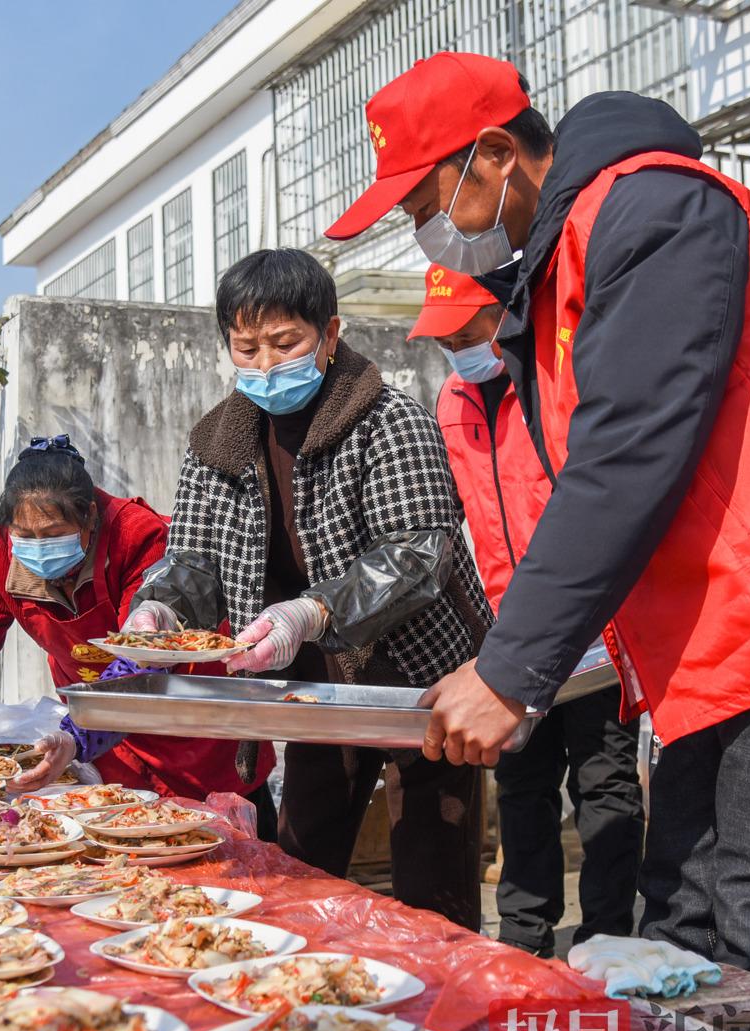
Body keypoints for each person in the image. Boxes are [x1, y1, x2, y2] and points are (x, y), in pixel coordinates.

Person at [325, 51, 750, 1008]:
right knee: (681, 933)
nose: (427, 239)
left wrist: (512, 668)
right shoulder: (562, 258)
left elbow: (629, 450)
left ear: (495, 155)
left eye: (426, 205)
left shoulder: (651, 208)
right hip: (708, 650)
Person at [126, 248, 493, 928]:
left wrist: (313, 608)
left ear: (329, 335)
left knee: (431, 878)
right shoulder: (216, 440)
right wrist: (161, 606)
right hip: (314, 687)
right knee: (302, 861)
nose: (265, 364)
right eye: (246, 346)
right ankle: (310, 1004)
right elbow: (194, 559)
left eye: (285, 342)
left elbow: (417, 552)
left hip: (422, 675)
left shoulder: (389, 418)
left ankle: (442, 1006)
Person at [412, 262, 644, 957]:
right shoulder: (453, 400)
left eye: (468, 331)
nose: (458, 349)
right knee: (522, 779)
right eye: (444, 339)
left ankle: (605, 937)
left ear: (506, 314)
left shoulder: (553, 381)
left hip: (596, 626)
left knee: (604, 783)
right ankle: (522, 935)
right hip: (512, 632)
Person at [0, 437, 278, 831]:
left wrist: (75, 735)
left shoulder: (138, 537)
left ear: (90, 517)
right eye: (24, 535)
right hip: (106, 745)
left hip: (196, 732)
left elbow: (142, 659)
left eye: (53, 533)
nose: (37, 548)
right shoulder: (2, 552)